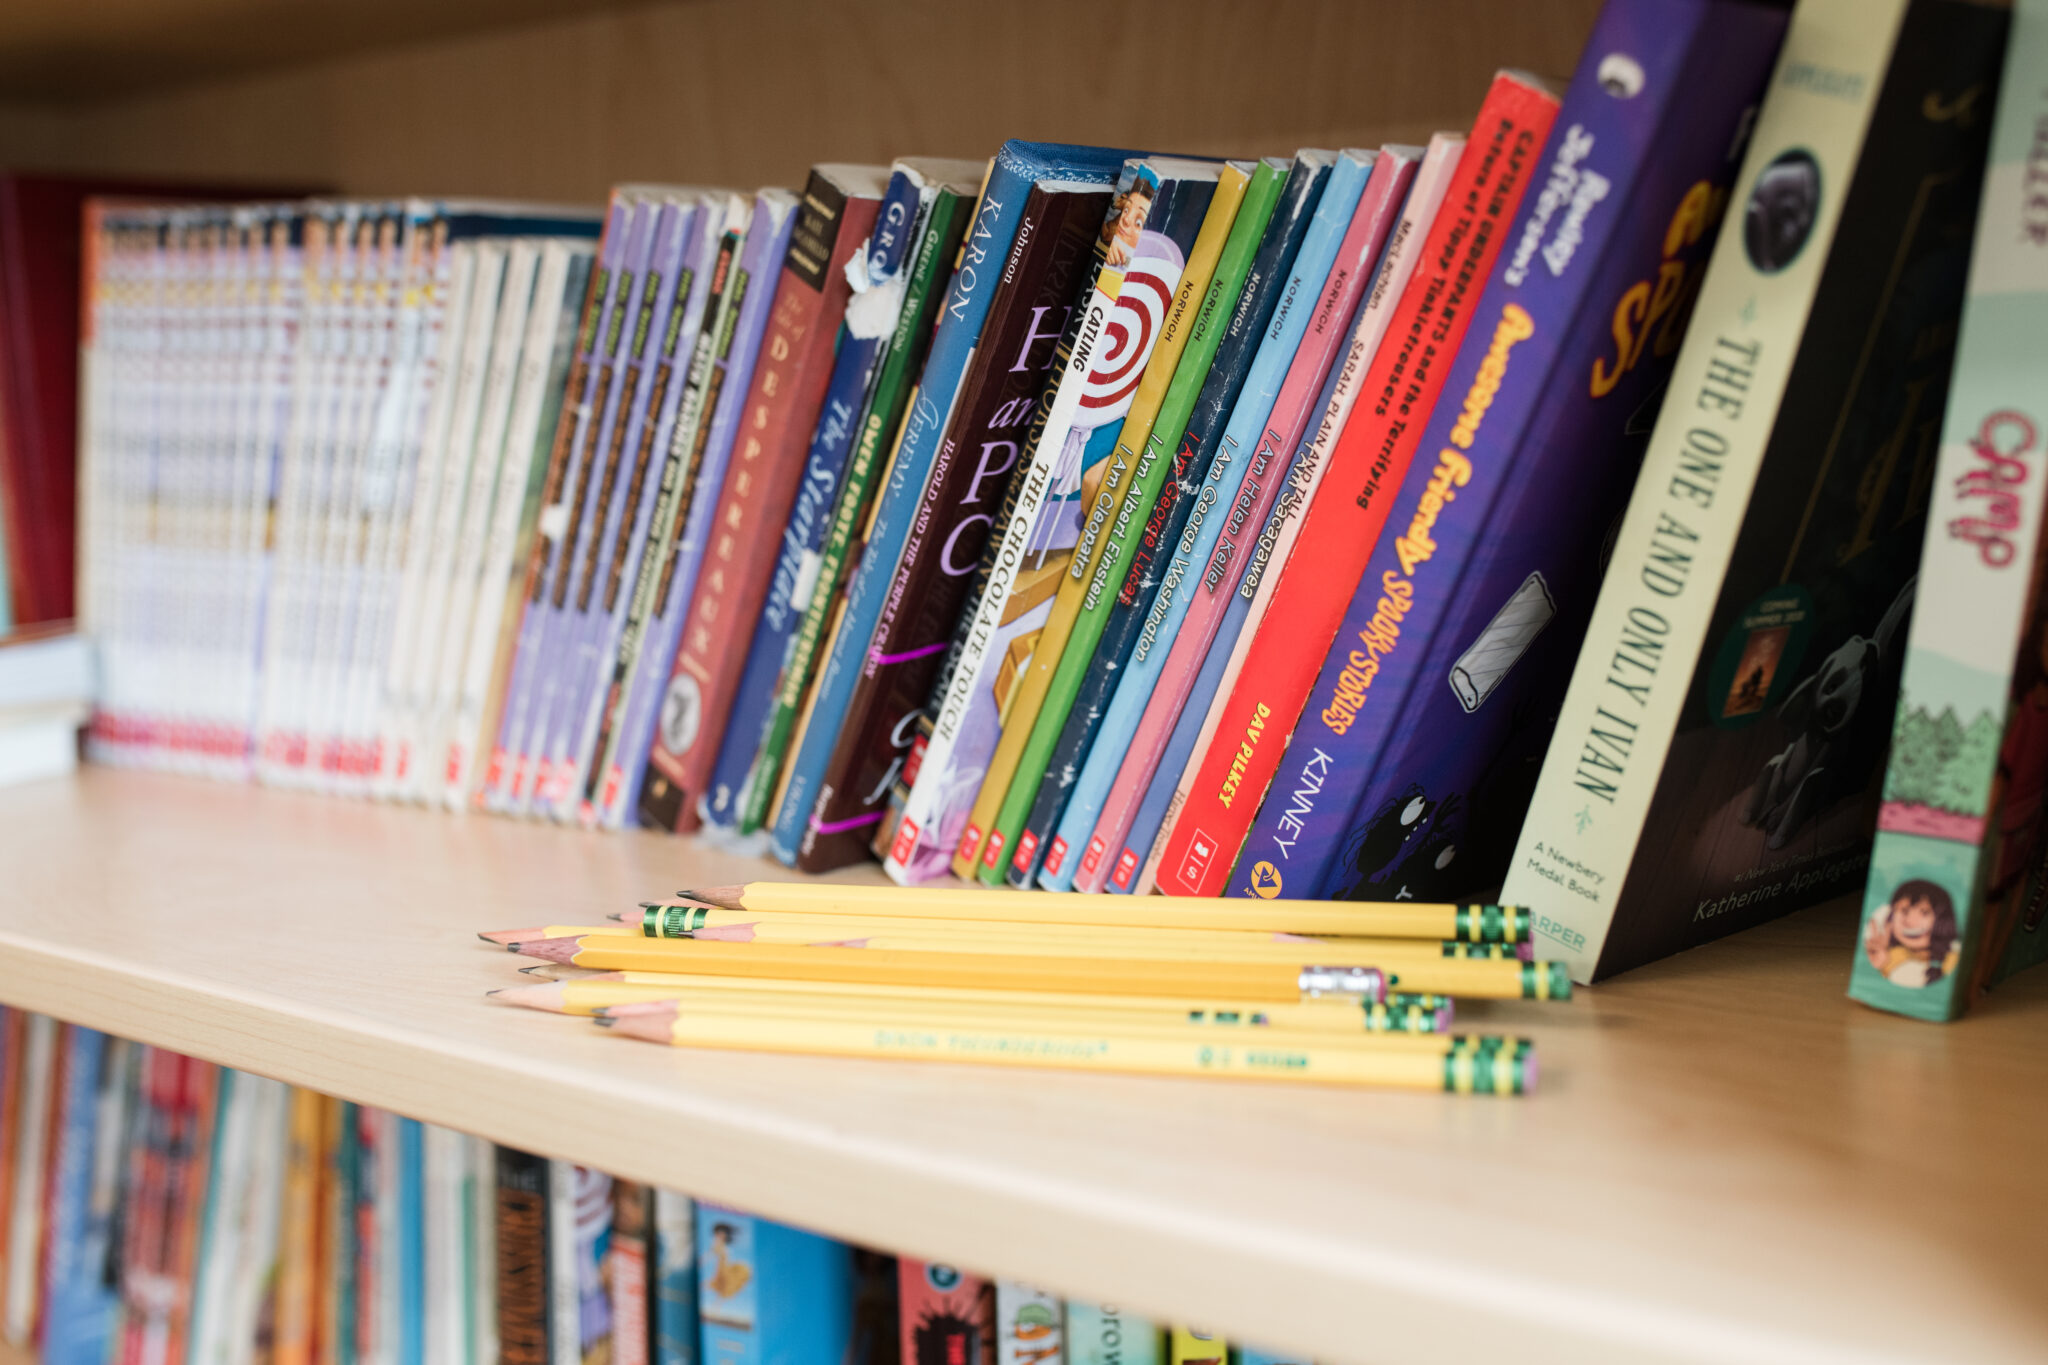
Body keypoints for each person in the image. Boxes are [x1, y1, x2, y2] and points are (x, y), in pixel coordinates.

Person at [1864, 878, 1960, 986]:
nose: (1910, 922)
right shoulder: (1892, 956)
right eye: (1904, 911)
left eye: (1924, 912)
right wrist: (1881, 964)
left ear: (1942, 921)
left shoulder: (1953, 960)